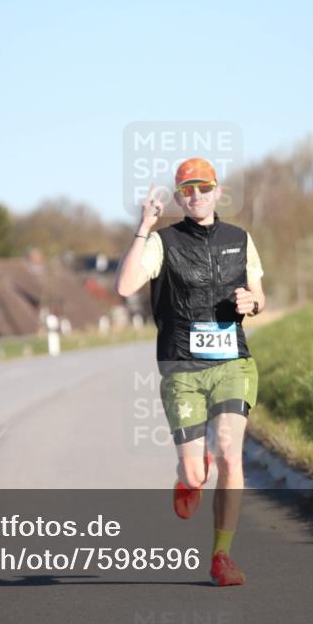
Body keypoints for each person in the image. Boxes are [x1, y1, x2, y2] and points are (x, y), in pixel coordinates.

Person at [115, 157, 265, 587]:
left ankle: (221, 556)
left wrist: (252, 304)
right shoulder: (164, 242)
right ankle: (190, 474)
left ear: (218, 191)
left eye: (203, 188)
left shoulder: (240, 239)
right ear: (179, 197)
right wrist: (144, 226)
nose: (195, 196)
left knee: (230, 453)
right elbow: (125, 286)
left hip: (233, 363)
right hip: (182, 368)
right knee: (198, 473)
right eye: (186, 190)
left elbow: (260, 294)